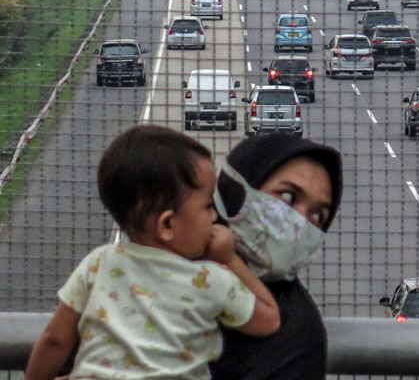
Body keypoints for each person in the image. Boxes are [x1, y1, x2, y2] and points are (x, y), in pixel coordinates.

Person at [25, 125, 281, 380]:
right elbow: (269, 320)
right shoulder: (212, 280)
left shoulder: (98, 263)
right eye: (207, 207)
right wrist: (229, 259)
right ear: (168, 225)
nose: (215, 216)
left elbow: (55, 340)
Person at [209, 132, 343, 380]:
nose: (299, 222)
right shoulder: (160, 268)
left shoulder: (296, 335)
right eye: (288, 197)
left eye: (318, 216)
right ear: (236, 190)